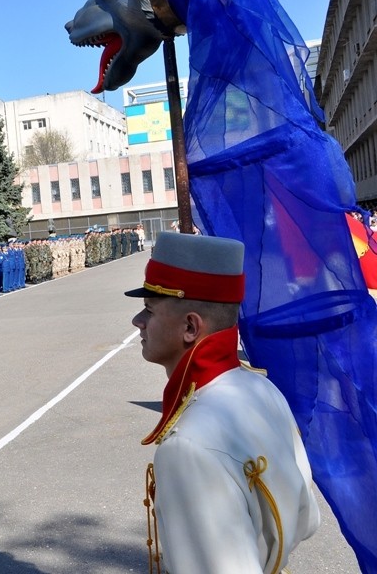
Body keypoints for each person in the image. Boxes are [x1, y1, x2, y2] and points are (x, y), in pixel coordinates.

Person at [127, 232, 319, 573]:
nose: (137, 322)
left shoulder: (188, 445)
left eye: (148, 309)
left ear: (190, 326)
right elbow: (307, 520)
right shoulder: (260, 388)